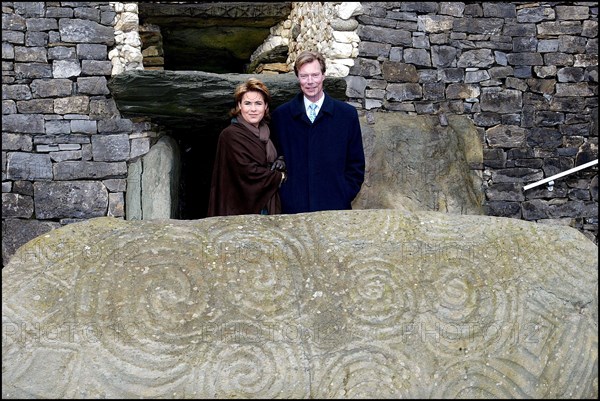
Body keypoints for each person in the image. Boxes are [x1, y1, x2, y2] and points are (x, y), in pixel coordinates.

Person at [270, 50, 365, 213]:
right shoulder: (281, 116)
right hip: (293, 209)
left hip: (335, 208)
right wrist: (285, 193)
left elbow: (356, 164)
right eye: (304, 76)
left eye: (315, 75)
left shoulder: (347, 115)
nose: (310, 81)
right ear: (298, 78)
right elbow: (275, 158)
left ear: (323, 76)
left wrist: (344, 193)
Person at [207, 78, 286, 217]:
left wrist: (281, 161)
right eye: (247, 103)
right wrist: (280, 176)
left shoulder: (268, 132)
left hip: (268, 201)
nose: (253, 109)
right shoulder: (230, 135)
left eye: (258, 103)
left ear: (266, 106)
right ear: (239, 106)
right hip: (240, 206)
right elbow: (247, 172)